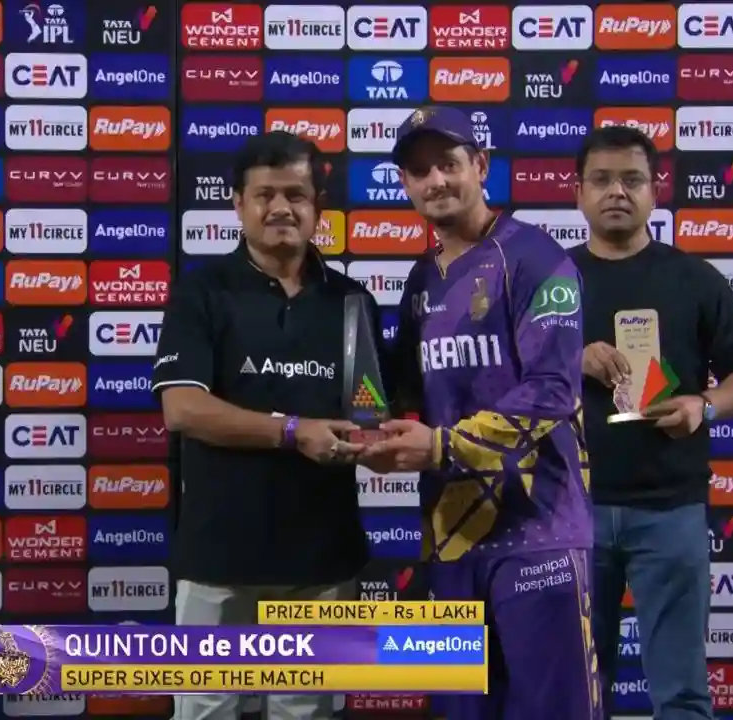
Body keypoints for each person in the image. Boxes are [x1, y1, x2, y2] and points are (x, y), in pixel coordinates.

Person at [359, 106, 600, 719]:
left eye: (448, 163)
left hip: (539, 535)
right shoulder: (421, 279)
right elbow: (411, 395)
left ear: (481, 165)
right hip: (452, 544)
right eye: (419, 171)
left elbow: (552, 390)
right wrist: (376, 436)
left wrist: (439, 446)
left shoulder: (536, 257)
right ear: (405, 184)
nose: (435, 180)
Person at [152, 131, 378, 720]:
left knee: (307, 713)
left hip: (321, 559)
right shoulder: (200, 292)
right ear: (238, 204)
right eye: (265, 195)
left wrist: (377, 441)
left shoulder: (353, 302)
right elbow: (183, 408)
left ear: (318, 205)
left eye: (296, 195)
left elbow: (372, 413)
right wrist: (292, 430)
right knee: (205, 712)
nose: (281, 208)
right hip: (219, 559)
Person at [567, 125, 733, 719]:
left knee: (681, 694)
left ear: (656, 191)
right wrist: (570, 357)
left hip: (671, 510)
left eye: (632, 179)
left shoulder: (695, 279)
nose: (617, 192)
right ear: (578, 193)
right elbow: (507, 375)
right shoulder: (550, 283)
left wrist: (705, 405)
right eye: (602, 180)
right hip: (570, 510)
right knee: (574, 692)